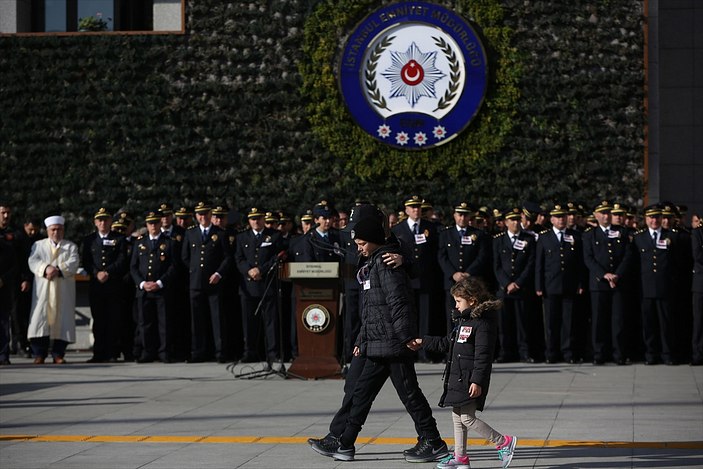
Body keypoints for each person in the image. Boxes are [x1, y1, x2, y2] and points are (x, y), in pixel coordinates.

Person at [310, 216, 448, 463]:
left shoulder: (385, 263)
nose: (358, 247)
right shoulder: (373, 262)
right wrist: (362, 339)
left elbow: (399, 303)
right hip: (377, 342)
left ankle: (433, 442)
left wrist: (405, 337)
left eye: (362, 242)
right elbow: (372, 309)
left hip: (393, 344)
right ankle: (344, 442)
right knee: (361, 392)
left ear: (374, 239)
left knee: (409, 394)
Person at [409, 277, 517, 469]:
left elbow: (483, 355)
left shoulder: (482, 323)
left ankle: (503, 442)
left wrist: (477, 380)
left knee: (467, 418)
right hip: (458, 377)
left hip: (469, 379)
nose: (456, 305)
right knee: (457, 417)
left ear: (472, 300)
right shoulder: (463, 320)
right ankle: (460, 457)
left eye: (459, 301)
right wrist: (423, 342)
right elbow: (447, 344)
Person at [582, 201, 634, 365]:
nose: (606, 216)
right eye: (602, 213)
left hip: (618, 283)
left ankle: (618, 354)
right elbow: (588, 258)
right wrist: (605, 275)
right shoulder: (590, 234)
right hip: (599, 284)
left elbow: (627, 256)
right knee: (599, 321)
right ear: (596, 216)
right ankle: (599, 354)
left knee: (618, 320)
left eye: (608, 213)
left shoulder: (622, 233)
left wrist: (617, 274)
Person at [182, 201, 234, 363]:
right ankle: (198, 352)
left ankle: (220, 352)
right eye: (200, 214)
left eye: (205, 214)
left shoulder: (220, 233)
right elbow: (185, 257)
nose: (203, 217)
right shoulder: (190, 233)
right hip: (196, 282)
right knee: (197, 319)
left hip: (214, 282)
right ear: (196, 217)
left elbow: (227, 257)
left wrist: (219, 273)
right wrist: (195, 271)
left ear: (210, 215)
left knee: (217, 318)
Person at [391, 195, 440, 362]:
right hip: (407, 280)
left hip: (426, 279)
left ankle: (424, 352)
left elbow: (435, 254)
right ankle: (408, 350)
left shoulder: (430, 228)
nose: (416, 210)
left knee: (425, 318)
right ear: (406, 210)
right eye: (412, 207)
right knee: (408, 316)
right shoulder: (398, 229)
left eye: (418, 207)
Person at [535, 204, 585, 363]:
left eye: (563, 216)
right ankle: (551, 353)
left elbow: (580, 263)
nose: (561, 220)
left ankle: (568, 353)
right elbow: (539, 264)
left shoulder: (575, 236)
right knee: (551, 323)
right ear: (552, 219)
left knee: (568, 322)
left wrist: (580, 283)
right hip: (550, 286)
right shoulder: (544, 237)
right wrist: (539, 286)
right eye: (557, 217)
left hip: (569, 285)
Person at [27, 215, 80, 364]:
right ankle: (39, 354)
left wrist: (57, 269)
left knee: (62, 320)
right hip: (43, 289)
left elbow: (74, 262)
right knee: (40, 319)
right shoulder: (38, 245)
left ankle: (58, 354)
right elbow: (33, 261)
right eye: (53, 229)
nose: (56, 232)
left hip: (62, 289)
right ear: (48, 230)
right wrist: (45, 269)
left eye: (59, 229)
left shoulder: (70, 246)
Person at [632, 204, 680, 365]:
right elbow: (635, 264)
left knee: (666, 324)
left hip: (665, 287)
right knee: (649, 324)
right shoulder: (639, 237)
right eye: (651, 217)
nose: (654, 220)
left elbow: (677, 263)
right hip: (645, 288)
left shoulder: (671, 236)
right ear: (646, 219)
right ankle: (651, 354)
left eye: (657, 217)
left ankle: (667, 354)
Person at [234, 207, 284, 363]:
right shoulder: (242, 237)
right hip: (248, 286)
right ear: (249, 221)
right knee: (249, 322)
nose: (256, 221)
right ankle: (250, 352)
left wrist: (260, 270)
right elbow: (238, 258)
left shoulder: (274, 236)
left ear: (264, 219)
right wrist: (249, 271)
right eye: (253, 219)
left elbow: (277, 257)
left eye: (259, 218)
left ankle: (272, 353)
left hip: (266, 284)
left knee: (270, 321)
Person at [438, 201, 491, 340]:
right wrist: (453, 273)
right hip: (452, 282)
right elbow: (441, 256)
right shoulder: (446, 234)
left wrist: (468, 273)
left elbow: (482, 256)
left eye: (465, 215)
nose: (462, 218)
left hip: (471, 282)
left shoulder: (478, 234)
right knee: (452, 315)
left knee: (472, 314)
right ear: (454, 215)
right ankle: (451, 346)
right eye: (460, 215)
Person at [130, 210, 178, 363]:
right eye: (150, 223)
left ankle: (164, 352)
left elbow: (173, 266)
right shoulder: (140, 242)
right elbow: (133, 267)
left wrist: (159, 283)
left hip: (161, 289)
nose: (153, 226)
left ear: (160, 224)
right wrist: (143, 284)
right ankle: (147, 351)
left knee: (164, 323)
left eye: (156, 223)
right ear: (146, 225)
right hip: (144, 290)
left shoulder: (169, 242)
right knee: (145, 323)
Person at [82, 207, 128, 363]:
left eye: (106, 220)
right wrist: (96, 273)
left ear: (111, 222)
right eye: (100, 220)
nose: (103, 223)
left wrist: (107, 272)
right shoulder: (89, 240)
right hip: (96, 286)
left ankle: (112, 353)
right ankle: (99, 353)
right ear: (95, 222)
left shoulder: (119, 238)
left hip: (113, 285)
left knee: (113, 320)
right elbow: (86, 261)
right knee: (99, 320)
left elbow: (122, 260)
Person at [492, 207, 536, 363]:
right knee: (504, 324)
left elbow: (530, 264)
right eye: (512, 220)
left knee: (522, 323)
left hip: (521, 288)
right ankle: (505, 352)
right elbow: (496, 266)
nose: (516, 223)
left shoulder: (528, 239)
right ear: (506, 222)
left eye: (518, 219)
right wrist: (506, 284)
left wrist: (517, 283)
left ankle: (523, 352)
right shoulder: (498, 240)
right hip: (504, 290)